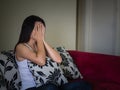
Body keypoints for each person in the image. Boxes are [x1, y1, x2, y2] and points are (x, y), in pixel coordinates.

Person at [14, 15, 92, 90]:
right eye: (38, 28)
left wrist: (43, 40)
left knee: (84, 85)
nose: (40, 31)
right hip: (31, 88)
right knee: (50, 88)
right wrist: (40, 40)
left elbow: (58, 60)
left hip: (51, 85)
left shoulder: (40, 46)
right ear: (28, 29)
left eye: (42, 29)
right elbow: (41, 61)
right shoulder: (21, 47)